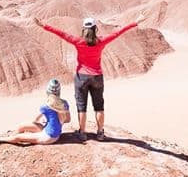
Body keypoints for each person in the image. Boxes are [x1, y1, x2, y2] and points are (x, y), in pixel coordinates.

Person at [34, 13, 146, 141]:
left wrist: (43, 25)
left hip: (81, 77)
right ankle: (100, 133)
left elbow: (61, 34)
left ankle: (82, 133)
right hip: (97, 77)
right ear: (95, 29)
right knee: (99, 106)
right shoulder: (101, 41)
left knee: (82, 106)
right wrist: (136, 21)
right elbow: (118, 33)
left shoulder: (78, 41)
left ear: (84, 30)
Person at [0, 78, 70, 145]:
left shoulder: (46, 107)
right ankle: (11, 137)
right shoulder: (64, 103)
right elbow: (67, 120)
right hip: (53, 133)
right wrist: (52, 120)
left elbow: (35, 120)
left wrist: (45, 120)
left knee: (19, 136)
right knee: (22, 126)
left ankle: (0, 139)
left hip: (48, 137)